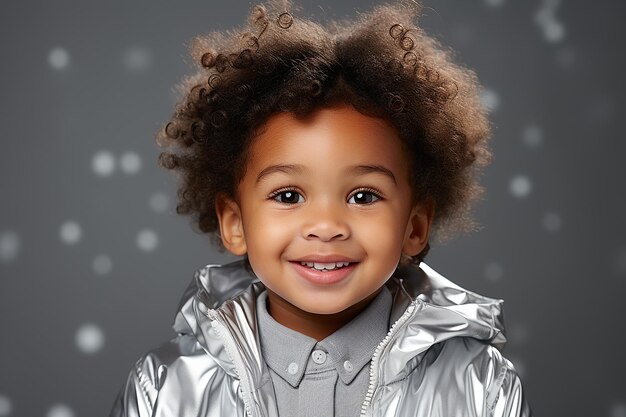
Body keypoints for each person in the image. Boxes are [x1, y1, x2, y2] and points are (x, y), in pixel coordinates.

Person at [109, 0, 532, 416]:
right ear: (234, 223)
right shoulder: (164, 388)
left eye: (363, 196)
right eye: (288, 196)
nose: (327, 226)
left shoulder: (480, 386)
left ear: (415, 226)